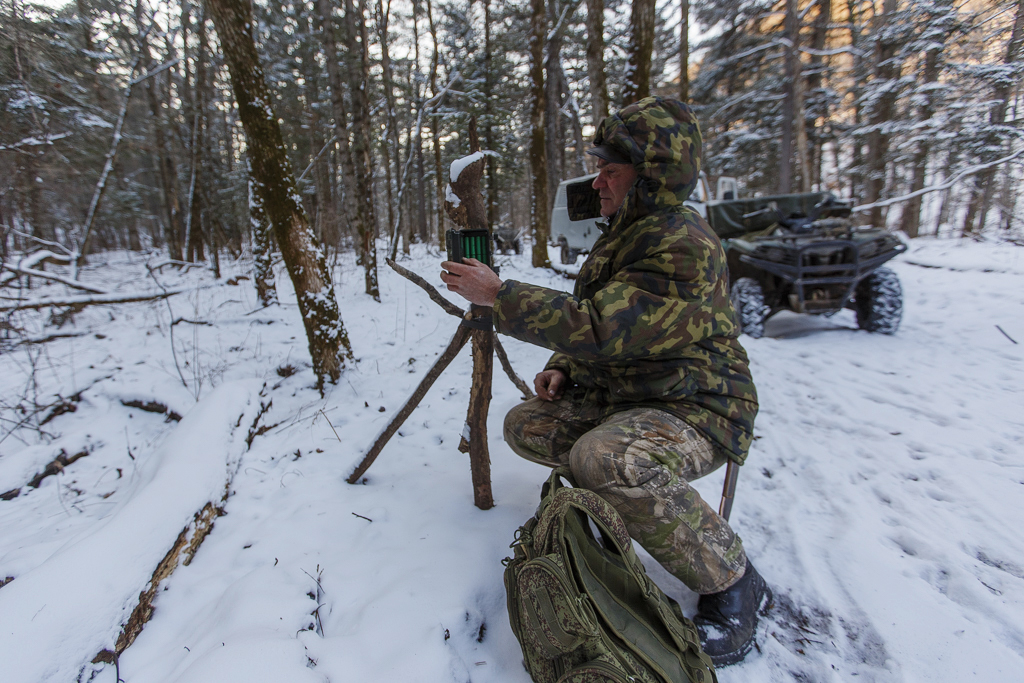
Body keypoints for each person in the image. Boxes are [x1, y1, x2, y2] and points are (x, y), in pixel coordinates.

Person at [440, 96, 770, 666]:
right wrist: (565, 368)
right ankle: (617, 508)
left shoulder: (681, 245)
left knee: (607, 459)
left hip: (699, 406)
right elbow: (611, 324)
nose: (598, 183)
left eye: (611, 170)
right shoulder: (628, 233)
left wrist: (501, 295)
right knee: (528, 424)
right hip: (637, 396)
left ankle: (734, 581)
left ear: (652, 178)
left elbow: (604, 326)